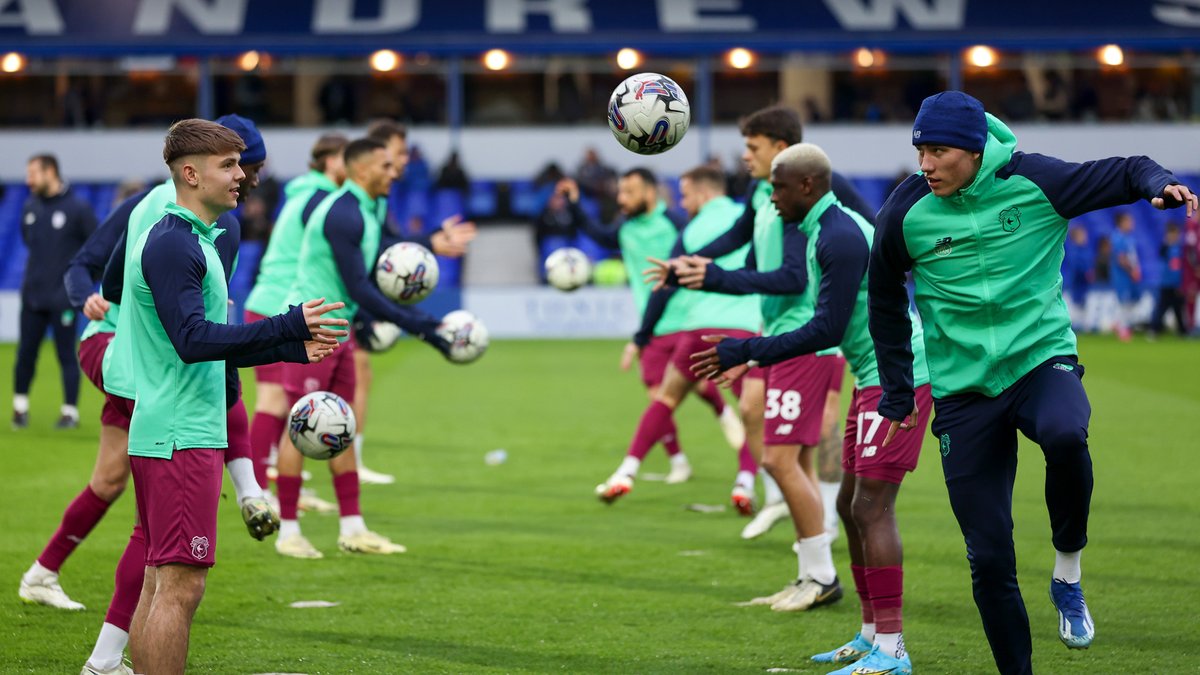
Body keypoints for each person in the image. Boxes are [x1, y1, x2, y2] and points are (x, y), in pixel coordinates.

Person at [869, 90, 1197, 674]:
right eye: (920, 150)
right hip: (963, 392)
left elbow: (1123, 171)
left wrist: (1158, 183)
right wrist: (898, 389)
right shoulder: (903, 212)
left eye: (938, 151)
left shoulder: (1037, 181)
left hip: (1039, 359)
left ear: (972, 151)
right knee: (989, 559)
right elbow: (885, 300)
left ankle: (1067, 573)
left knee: (1067, 433)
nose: (925, 164)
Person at [690, 143, 932, 675]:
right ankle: (871, 637)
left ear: (807, 186)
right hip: (873, 377)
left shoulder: (839, 237)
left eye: (777, 186)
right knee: (848, 506)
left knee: (872, 509)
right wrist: (747, 352)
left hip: (899, 379)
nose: (769, 197)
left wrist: (744, 350)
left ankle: (892, 651)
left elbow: (823, 330)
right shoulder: (825, 230)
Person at [122, 119, 348, 674]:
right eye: (228, 165)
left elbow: (211, 345)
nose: (241, 176)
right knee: (180, 588)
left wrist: (292, 345)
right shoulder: (175, 243)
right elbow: (193, 341)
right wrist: (286, 324)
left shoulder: (194, 238)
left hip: (171, 429)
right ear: (191, 173)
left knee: (160, 581)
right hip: (182, 435)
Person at [648, 105, 870, 545]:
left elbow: (809, 267)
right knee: (757, 415)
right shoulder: (761, 193)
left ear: (781, 149)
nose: (744, 157)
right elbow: (741, 243)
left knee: (812, 429)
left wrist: (711, 276)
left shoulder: (816, 190)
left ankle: (820, 523)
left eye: (753, 147)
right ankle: (793, 509)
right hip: (777, 325)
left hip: (816, 327)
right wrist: (690, 265)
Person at [272, 137, 454, 559]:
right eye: (385, 166)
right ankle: (288, 531)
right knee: (298, 427)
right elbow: (358, 285)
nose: (394, 172)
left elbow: (360, 284)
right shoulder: (343, 212)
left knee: (344, 425)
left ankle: (353, 528)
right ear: (361, 171)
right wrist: (419, 325)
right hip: (310, 327)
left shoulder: (369, 210)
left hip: (339, 327)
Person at [562, 169, 744, 497]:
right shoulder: (625, 228)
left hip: (687, 319)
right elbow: (600, 236)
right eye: (620, 192)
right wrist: (575, 205)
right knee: (660, 396)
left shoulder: (676, 222)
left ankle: (724, 414)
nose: (621, 199)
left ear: (649, 193)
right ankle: (679, 461)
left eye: (629, 191)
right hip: (654, 324)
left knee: (689, 387)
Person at [244, 132, 349, 492]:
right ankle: (258, 491)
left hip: (270, 304)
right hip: (279, 308)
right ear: (333, 162)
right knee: (278, 403)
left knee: (280, 403)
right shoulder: (321, 201)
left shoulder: (304, 195)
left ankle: (277, 486)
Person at [13, 153, 96, 429]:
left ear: (50, 172)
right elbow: (29, 243)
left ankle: (69, 412)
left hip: (63, 299)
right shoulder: (30, 208)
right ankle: (20, 408)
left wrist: (82, 285)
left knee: (65, 355)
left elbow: (95, 248)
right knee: (26, 353)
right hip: (33, 297)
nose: (29, 180)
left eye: (33, 173)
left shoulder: (78, 209)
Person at [1150, 222, 1187, 337]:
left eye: (1176, 233)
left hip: (1177, 283)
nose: (1174, 236)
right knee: (1161, 308)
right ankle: (1155, 329)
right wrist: (1167, 242)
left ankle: (1182, 331)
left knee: (1178, 308)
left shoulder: (1181, 247)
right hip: (1166, 283)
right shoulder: (1165, 247)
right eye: (1172, 234)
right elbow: (1161, 253)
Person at [1110, 212, 1142, 340]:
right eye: (1128, 221)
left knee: (1130, 302)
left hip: (1129, 275)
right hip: (1122, 276)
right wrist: (1132, 270)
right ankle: (1122, 329)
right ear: (1121, 222)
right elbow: (1121, 258)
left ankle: (1119, 324)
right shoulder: (1117, 237)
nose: (1131, 224)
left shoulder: (1129, 237)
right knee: (1123, 302)